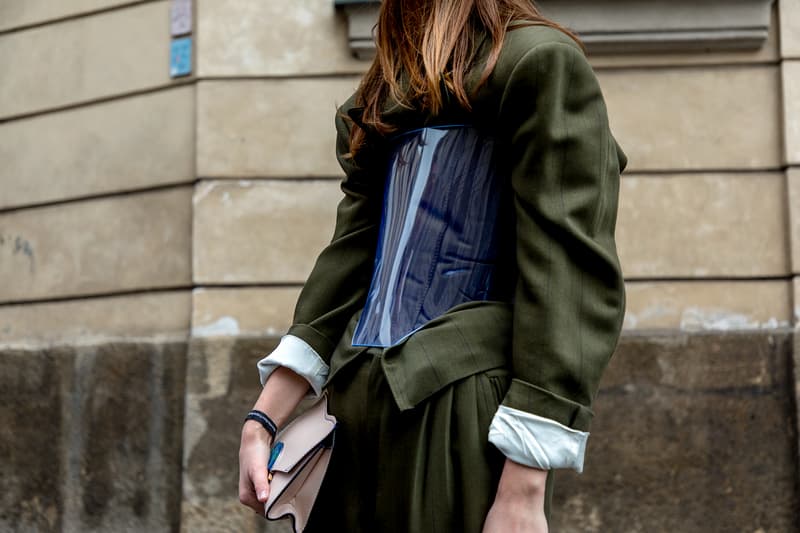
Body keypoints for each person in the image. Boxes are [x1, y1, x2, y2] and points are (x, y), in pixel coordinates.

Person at [239, 0, 627, 531]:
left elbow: (569, 268)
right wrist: (263, 418)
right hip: (353, 407)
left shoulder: (538, 62)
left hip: (459, 405)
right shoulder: (384, 93)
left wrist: (524, 485)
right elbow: (352, 255)